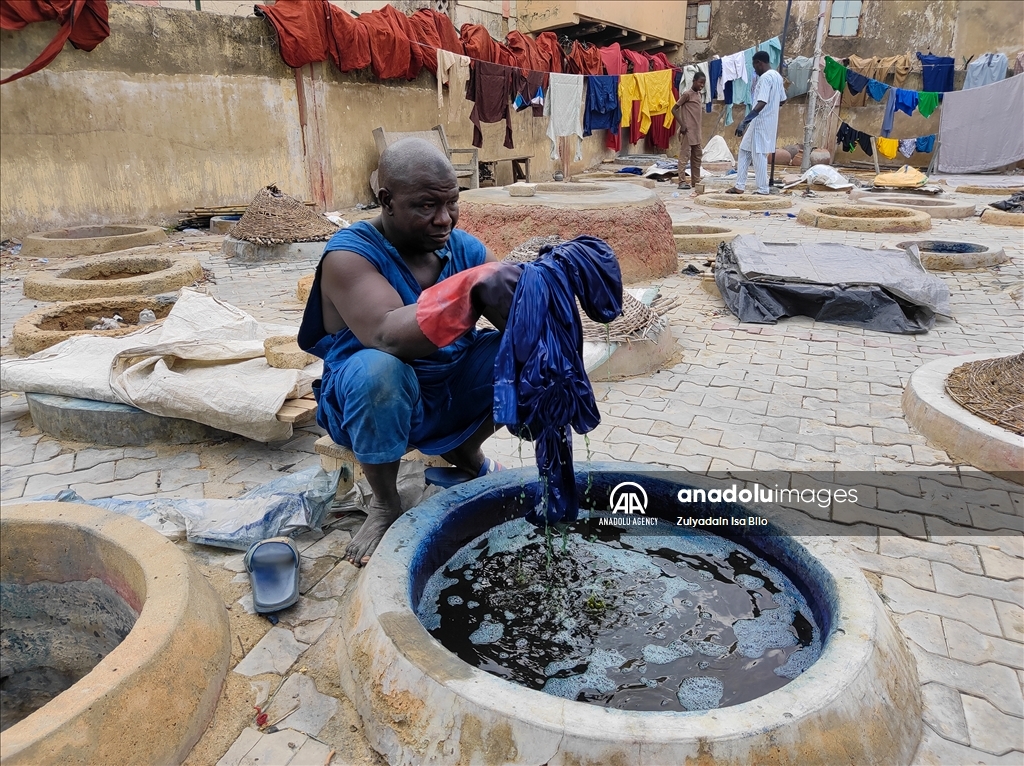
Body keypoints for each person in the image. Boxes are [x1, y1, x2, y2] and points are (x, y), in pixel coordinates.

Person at [297, 138, 521, 567]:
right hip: (374, 402)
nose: (444, 219)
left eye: (452, 203)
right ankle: (385, 501)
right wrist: (470, 290)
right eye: (425, 206)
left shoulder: (465, 249)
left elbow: (518, 320)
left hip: (449, 391)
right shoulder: (350, 254)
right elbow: (387, 335)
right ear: (387, 201)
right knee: (378, 369)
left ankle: (465, 449)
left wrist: (543, 300)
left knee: (521, 353)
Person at [727, 50, 786, 196]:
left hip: (761, 121)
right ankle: (740, 185)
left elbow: (762, 102)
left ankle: (762, 189)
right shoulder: (777, 76)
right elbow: (783, 99)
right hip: (762, 120)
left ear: (759, 63)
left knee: (758, 154)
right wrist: (772, 108)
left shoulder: (766, 78)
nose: (754, 70)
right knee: (744, 150)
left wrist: (744, 121)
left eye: (754, 66)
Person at [673, 71, 705, 190]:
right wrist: (682, 124)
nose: (701, 85)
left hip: (697, 132)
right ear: (694, 81)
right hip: (688, 131)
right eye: (700, 82)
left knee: (697, 157)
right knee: (684, 157)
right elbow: (674, 109)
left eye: (703, 83)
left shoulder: (698, 95)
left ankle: (695, 181)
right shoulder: (687, 94)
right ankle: (681, 181)